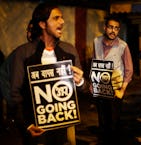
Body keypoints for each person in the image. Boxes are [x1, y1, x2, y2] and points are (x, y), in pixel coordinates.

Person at [10, 3, 86, 145]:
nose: (62, 22)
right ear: (42, 24)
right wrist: (26, 125)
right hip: (37, 128)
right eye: (56, 18)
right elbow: (15, 93)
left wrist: (80, 82)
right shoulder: (23, 53)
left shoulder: (69, 50)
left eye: (62, 18)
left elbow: (83, 89)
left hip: (65, 128)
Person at [91, 14, 133, 145]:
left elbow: (129, 70)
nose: (113, 30)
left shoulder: (123, 45)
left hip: (115, 90)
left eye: (116, 28)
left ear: (118, 30)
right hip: (100, 89)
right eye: (110, 27)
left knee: (114, 123)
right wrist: (92, 83)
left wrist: (122, 90)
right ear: (105, 27)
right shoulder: (96, 41)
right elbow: (94, 62)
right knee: (102, 122)